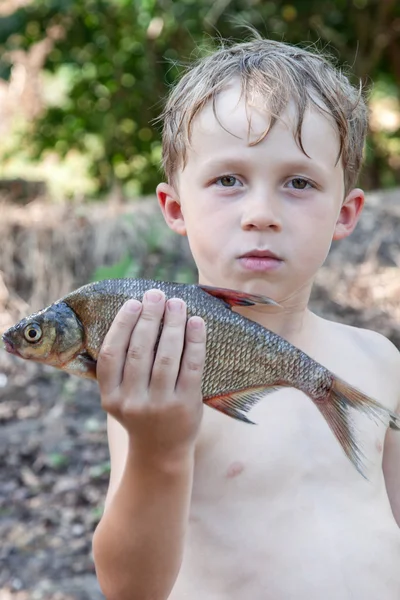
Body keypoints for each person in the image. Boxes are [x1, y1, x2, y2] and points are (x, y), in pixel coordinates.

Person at [92, 35, 400, 600]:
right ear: (176, 208)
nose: (261, 214)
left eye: (299, 183)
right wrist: (159, 451)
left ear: (346, 212)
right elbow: (129, 589)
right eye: (228, 180)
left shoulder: (378, 361)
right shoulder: (166, 373)